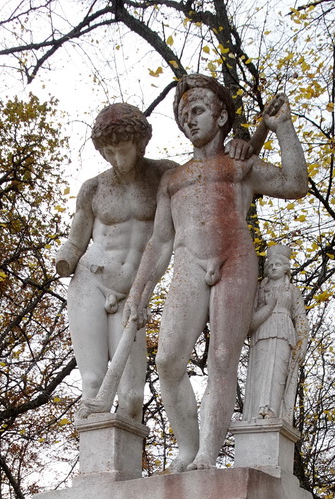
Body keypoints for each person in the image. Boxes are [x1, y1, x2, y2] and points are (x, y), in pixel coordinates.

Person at [123, 75, 308, 472]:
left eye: (198, 110)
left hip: (234, 259)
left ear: (221, 115)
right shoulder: (173, 179)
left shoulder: (240, 164)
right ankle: (188, 448)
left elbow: (295, 183)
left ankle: (207, 453)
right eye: (183, 115)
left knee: (223, 359)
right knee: (169, 361)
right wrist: (139, 292)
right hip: (189, 263)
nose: (190, 120)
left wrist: (283, 128)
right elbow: (159, 242)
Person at [55, 103, 176, 422]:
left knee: (133, 396)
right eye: (109, 152)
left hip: (134, 292)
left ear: (140, 144)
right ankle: (94, 470)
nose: (118, 160)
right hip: (91, 282)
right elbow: (76, 240)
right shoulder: (94, 188)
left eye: (124, 151)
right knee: (92, 383)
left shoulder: (165, 176)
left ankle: (123, 472)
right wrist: (64, 258)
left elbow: (205, 187)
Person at [243, 244, 309, 422]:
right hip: (262, 332)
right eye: (270, 265)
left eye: (278, 264)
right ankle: (257, 411)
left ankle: (273, 410)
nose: (273, 267)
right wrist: (269, 306)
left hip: (284, 334)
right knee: (260, 373)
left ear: (286, 268)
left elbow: (301, 317)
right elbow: (249, 322)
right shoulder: (259, 291)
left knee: (278, 373)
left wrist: (302, 343)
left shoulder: (293, 291)